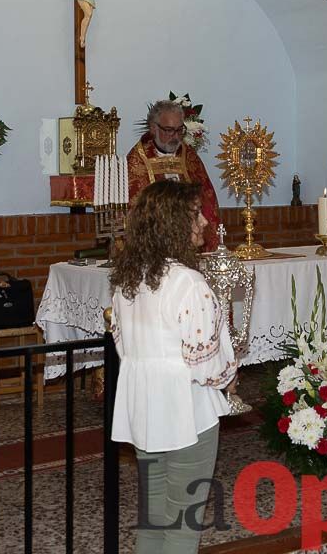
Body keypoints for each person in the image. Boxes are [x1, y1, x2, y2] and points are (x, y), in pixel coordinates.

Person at [109, 180, 237, 554]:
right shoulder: (188, 282)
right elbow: (206, 366)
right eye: (195, 214)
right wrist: (230, 375)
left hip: (144, 407)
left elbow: (123, 345)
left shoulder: (128, 280)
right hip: (187, 411)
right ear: (173, 223)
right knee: (182, 524)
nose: (204, 221)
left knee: (154, 517)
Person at [127, 100, 219, 251]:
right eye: (169, 130)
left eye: (179, 130)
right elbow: (134, 208)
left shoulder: (190, 158)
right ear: (153, 128)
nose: (175, 136)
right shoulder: (137, 162)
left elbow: (208, 201)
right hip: (156, 244)